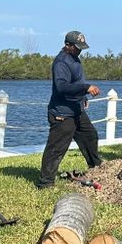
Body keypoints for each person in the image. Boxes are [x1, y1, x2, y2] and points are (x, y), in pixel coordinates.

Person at [37, 30, 103, 189]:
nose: (80, 50)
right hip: (62, 113)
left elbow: (75, 84)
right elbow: (62, 86)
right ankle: (45, 183)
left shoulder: (74, 59)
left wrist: (82, 97)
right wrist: (86, 88)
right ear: (68, 45)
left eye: (81, 47)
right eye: (77, 47)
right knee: (56, 148)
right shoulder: (61, 62)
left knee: (90, 136)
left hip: (76, 110)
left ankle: (98, 170)